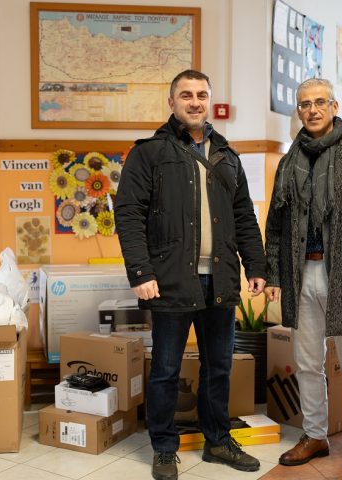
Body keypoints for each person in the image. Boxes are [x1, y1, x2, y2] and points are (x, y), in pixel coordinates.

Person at [115, 69, 267, 480]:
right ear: (172, 102)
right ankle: (164, 448)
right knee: (166, 369)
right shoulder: (149, 153)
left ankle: (217, 441)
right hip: (169, 279)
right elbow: (128, 214)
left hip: (220, 279)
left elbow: (244, 216)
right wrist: (140, 272)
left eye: (202, 95)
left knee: (219, 367)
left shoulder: (228, 155)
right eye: (186, 95)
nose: (195, 102)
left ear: (210, 101)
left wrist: (255, 266)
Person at [264, 78, 342, 480]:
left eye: (321, 102)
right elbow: (276, 225)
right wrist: (273, 274)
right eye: (305, 104)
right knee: (307, 363)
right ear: (298, 111)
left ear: (335, 107)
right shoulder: (288, 162)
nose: (313, 110)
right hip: (300, 274)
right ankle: (315, 436)